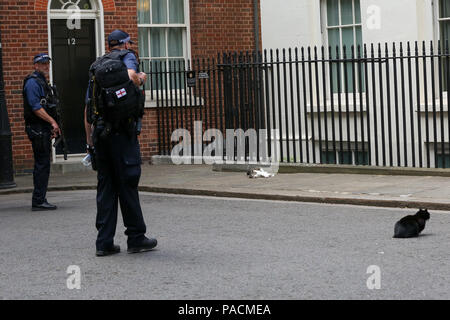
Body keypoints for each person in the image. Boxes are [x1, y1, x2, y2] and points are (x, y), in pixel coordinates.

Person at [84, 30, 157, 257]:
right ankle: (136, 237)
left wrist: (90, 143)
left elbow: (87, 108)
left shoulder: (97, 67)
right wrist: (140, 79)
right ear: (125, 45)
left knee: (106, 188)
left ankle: (104, 242)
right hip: (122, 136)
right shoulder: (127, 57)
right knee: (127, 185)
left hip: (100, 135)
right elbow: (131, 74)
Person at [23, 53, 61, 211]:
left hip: (42, 128)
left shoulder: (42, 82)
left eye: (47, 63)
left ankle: (40, 198)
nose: (46, 66)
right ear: (35, 65)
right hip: (37, 129)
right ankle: (38, 200)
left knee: (43, 164)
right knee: (42, 165)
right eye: (42, 63)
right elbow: (36, 107)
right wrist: (52, 122)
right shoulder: (32, 83)